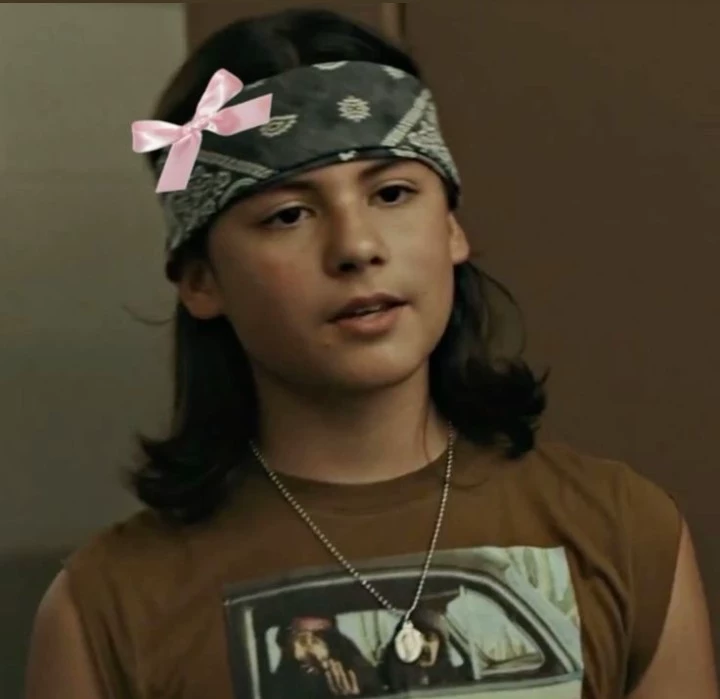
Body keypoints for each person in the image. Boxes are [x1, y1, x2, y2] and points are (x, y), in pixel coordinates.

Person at [25, 8, 717, 699]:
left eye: (391, 193)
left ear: (451, 228)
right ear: (202, 280)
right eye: (289, 214)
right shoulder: (107, 607)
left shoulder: (623, 533)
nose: (356, 247)